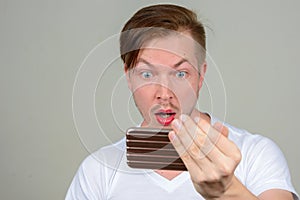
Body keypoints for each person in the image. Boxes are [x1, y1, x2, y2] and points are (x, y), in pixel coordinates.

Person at [66, 4, 299, 200]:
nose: (164, 93)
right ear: (128, 77)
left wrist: (227, 191)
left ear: (201, 75)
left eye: (180, 74)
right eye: (147, 74)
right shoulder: (97, 170)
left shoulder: (255, 153)